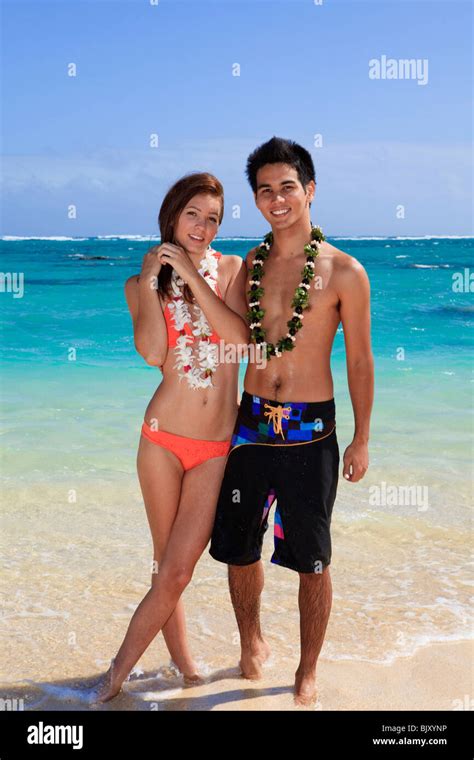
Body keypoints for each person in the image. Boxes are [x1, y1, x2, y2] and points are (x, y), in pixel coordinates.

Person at [209, 137, 374, 706]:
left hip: (313, 432)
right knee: (237, 546)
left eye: (287, 187)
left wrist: (362, 439)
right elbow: (224, 338)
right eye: (264, 190)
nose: (276, 199)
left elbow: (359, 360)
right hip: (251, 425)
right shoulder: (251, 264)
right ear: (254, 199)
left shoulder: (345, 272)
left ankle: (307, 670)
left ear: (309, 190)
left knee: (312, 557)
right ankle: (250, 642)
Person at [95, 172, 249, 702]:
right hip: (160, 440)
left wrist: (191, 273)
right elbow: (154, 353)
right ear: (172, 216)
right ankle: (161, 671)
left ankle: (117, 676)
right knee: (168, 566)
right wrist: (153, 279)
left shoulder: (232, 269)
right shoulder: (139, 282)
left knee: (180, 568)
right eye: (193, 215)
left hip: (213, 448)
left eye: (213, 218)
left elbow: (238, 339)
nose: (203, 226)